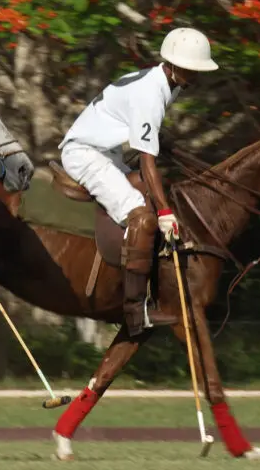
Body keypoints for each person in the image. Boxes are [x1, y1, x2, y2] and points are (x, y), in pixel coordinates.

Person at [57, 27, 219, 337]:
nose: (196, 77)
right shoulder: (151, 93)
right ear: (172, 65)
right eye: (191, 70)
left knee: (148, 192)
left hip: (106, 150)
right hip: (85, 153)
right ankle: (133, 310)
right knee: (141, 215)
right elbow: (146, 159)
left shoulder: (165, 83)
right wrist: (164, 212)